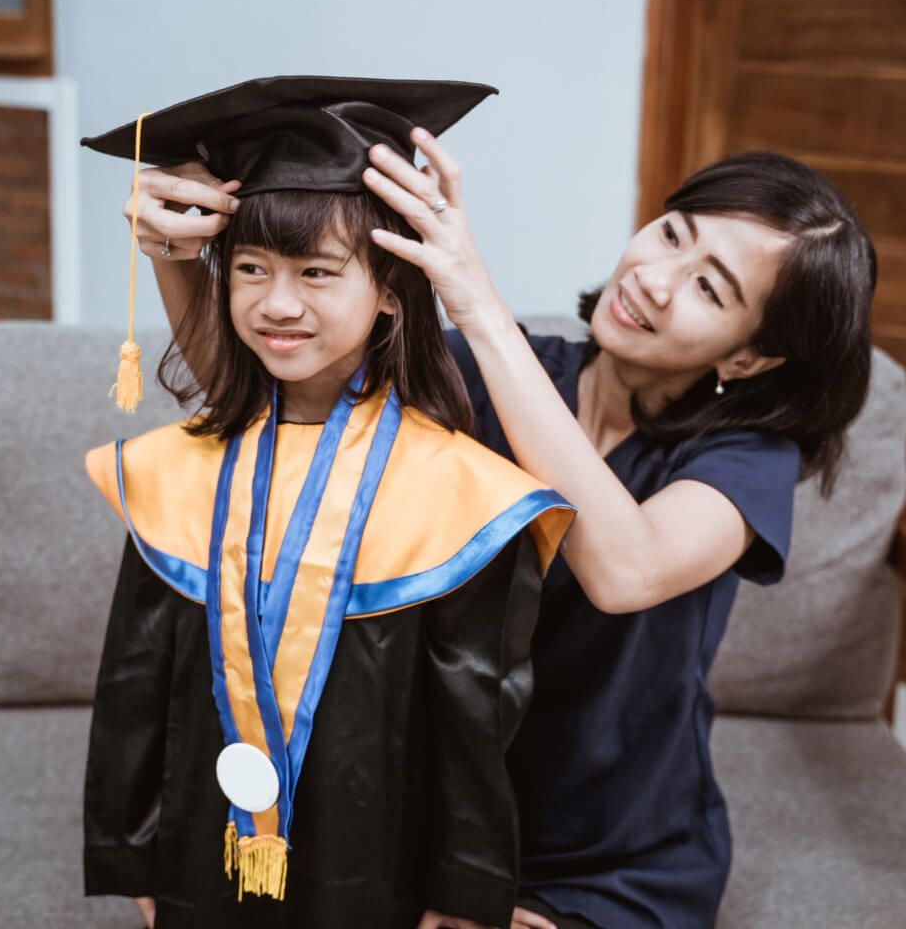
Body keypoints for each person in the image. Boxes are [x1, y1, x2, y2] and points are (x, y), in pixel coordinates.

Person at [132, 131, 876, 928]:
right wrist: (177, 251)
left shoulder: (745, 459)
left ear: (755, 358)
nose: (655, 281)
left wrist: (475, 303)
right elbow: (269, 407)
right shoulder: (506, 376)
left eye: (710, 289)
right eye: (671, 235)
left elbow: (628, 570)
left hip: (599, 856)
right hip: (421, 819)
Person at [78, 76, 574, 929]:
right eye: (250, 270)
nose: (277, 303)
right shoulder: (178, 473)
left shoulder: (456, 492)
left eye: (317, 272)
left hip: (378, 857)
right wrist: (132, 850)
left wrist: (461, 895)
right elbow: (134, 681)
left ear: (389, 289)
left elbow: (473, 725)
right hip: (203, 840)